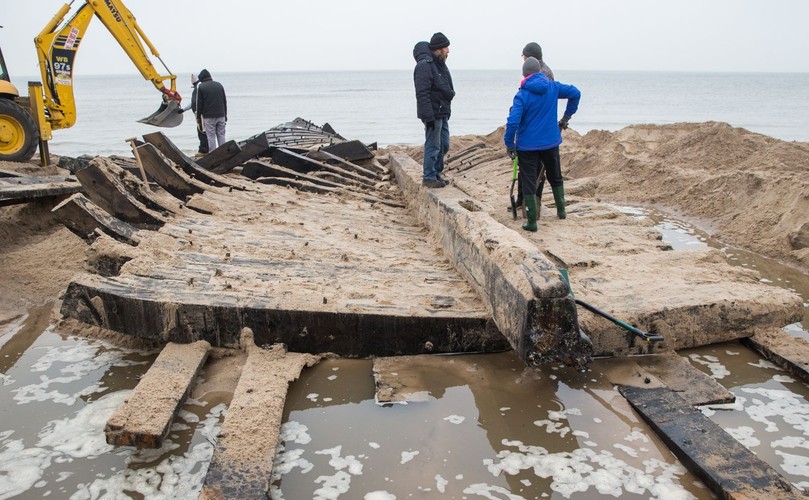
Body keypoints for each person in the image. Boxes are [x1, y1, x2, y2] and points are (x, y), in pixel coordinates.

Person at [504, 57, 580, 232]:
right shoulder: (552, 87)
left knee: (529, 180)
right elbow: (575, 93)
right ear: (539, 72)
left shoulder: (522, 95)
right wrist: (566, 117)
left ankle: (531, 222)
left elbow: (513, 122)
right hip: (551, 142)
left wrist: (509, 144)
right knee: (555, 175)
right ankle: (561, 212)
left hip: (528, 146)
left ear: (524, 75)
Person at [514, 42, 555, 213]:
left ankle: (532, 203)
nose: (522, 59)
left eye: (524, 55)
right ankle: (522, 200)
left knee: (534, 169)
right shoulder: (540, 71)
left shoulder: (541, 74)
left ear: (529, 57)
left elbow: (539, 101)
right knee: (528, 168)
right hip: (536, 128)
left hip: (536, 130)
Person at [413, 32, 455, 188]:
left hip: (442, 111)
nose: (448, 51)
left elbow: (445, 88)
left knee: (444, 144)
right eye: (446, 47)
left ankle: (436, 174)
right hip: (433, 113)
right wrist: (428, 116)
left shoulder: (439, 64)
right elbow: (421, 93)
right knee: (433, 145)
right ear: (439, 48)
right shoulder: (424, 66)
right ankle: (429, 177)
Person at [196, 69, 227, 152]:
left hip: (209, 116)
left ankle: (214, 155)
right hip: (221, 114)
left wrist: (198, 117)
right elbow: (224, 101)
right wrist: (225, 115)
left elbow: (199, 104)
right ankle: (224, 153)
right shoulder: (219, 85)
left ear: (202, 78)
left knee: (211, 136)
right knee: (221, 135)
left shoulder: (201, 87)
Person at [180, 73, 208, 156]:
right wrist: (183, 109)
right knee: (203, 130)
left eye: (191, 78)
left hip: (200, 113)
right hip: (199, 113)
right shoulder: (197, 87)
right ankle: (206, 148)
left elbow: (196, 102)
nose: (190, 80)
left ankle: (203, 150)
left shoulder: (199, 87)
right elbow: (193, 102)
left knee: (202, 131)